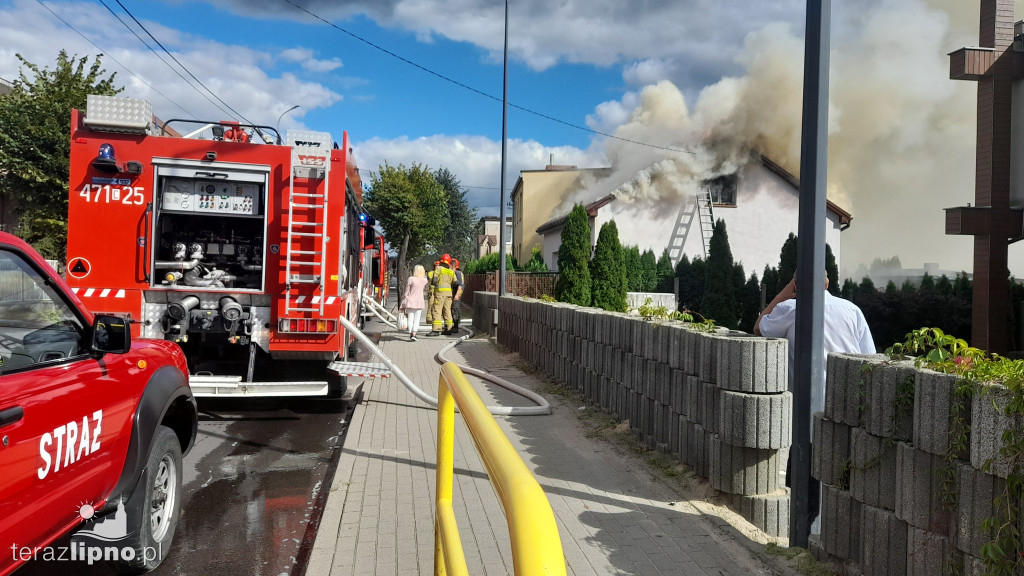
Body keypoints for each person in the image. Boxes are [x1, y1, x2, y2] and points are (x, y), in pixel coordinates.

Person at [754, 271, 875, 530]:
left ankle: (802, 533)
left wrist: (787, 290)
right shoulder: (851, 310)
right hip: (848, 402)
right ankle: (837, 532)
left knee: (804, 474)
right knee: (841, 471)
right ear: (828, 283)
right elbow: (870, 356)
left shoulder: (790, 308)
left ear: (797, 285)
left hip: (806, 407)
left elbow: (760, 326)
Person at [428, 254, 456, 336]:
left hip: (440, 294)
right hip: (449, 295)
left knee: (437, 311)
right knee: (447, 311)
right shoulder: (451, 271)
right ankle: (449, 329)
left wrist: (434, 285)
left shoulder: (438, 268)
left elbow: (434, 281)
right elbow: (456, 282)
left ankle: (436, 330)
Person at [401, 265, 429, 341]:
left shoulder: (411, 279)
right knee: (417, 319)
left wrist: (405, 296)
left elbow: (407, 290)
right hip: (420, 301)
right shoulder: (424, 280)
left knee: (410, 317)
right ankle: (414, 333)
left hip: (411, 301)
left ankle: (410, 333)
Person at [450, 258, 464, 332]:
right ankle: (454, 325)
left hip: (456, 293)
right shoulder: (456, 273)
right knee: (454, 309)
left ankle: (456, 327)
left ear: (453, 265)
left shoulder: (457, 273)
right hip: (455, 293)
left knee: (455, 309)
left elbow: (460, 285)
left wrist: (457, 295)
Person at [425, 260, 439, 326]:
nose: (438, 267)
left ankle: (436, 318)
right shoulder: (431, 273)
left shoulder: (440, 272)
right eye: (437, 266)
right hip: (432, 292)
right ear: (434, 266)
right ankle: (429, 318)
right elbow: (429, 278)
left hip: (439, 292)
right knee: (431, 304)